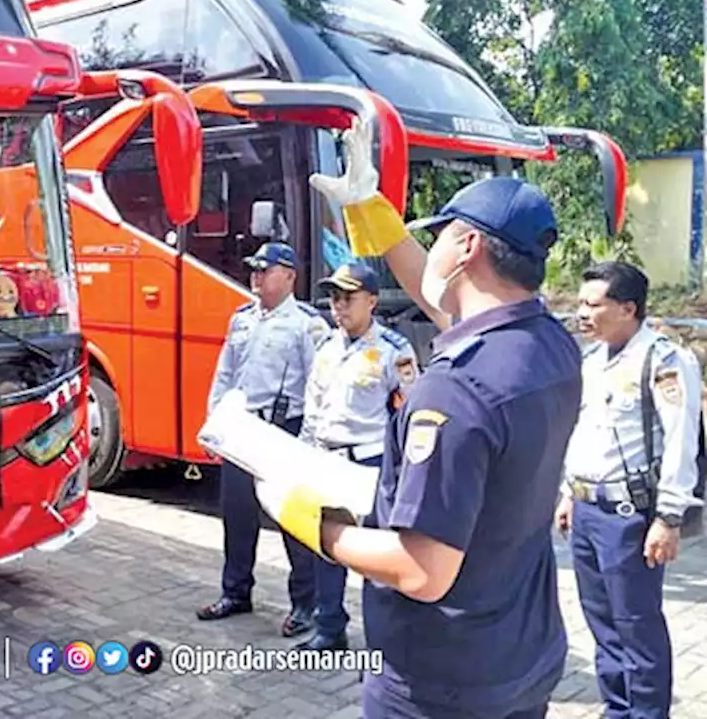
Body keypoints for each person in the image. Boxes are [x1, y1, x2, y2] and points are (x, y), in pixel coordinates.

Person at [201, 118, 585, 719]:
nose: (431, 250)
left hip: (441, 676)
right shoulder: (548, 345)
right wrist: (370, 211)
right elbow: (450, 302)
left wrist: (316, 527)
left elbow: (422, 569)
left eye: (443, 236)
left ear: (467, 248)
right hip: (519, 655)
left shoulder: (455, 389)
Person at [556, 260, 703, 718]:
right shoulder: (592, 360)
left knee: (636, 626)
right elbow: (582, 432)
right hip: (586, 510)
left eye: (592, 305)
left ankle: (646, 714)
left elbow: (682, 442)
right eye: (580, 303)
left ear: (627, 308)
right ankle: (618, 708)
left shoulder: (663, 360)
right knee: (602, 623)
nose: (582, 314)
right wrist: (567, 493)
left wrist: (669, 517)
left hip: (629, 518)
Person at [196, 241, 332, 637]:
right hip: (242, 430)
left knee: (293, 523)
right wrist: (214, 425)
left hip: (283, 431)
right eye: (254, 268)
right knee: (237, 517)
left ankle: (305, 604)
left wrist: (309, 439)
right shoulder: (241, 319)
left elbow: (318, 385)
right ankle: (235, 592)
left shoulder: (308, 324)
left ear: (289, 276)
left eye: (265, 269)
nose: (256, 275)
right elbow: (225, 376)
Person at [298, 261, 419, 653]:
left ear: (371, 300)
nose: (339, 306)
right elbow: (313, 406)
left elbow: (409, 413)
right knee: (326, 549)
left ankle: (383, 637)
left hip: (370, 464)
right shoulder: (325, 347)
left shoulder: (393, 352)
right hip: (326, 459)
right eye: (334, 298)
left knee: (374, 556)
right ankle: (329, 628)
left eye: (348, 298)